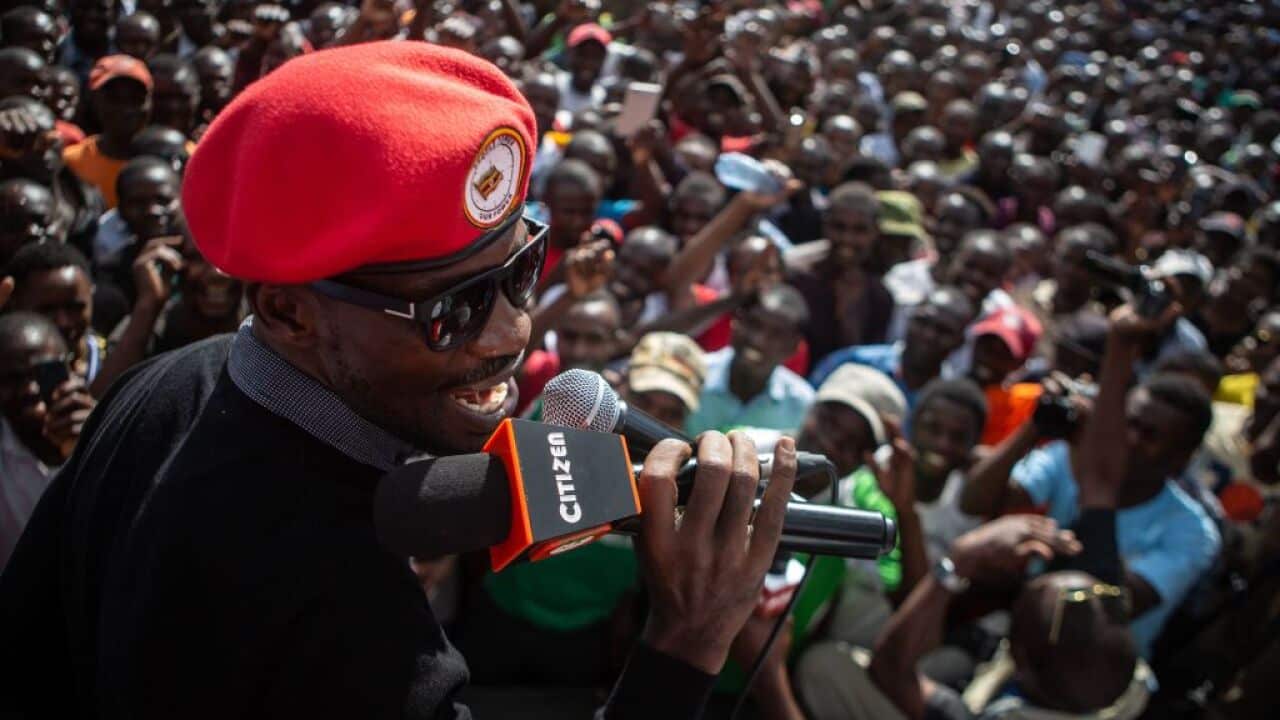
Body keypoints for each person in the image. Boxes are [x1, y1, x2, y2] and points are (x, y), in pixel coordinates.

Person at [0, 42, 800, 718]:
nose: (511, 334)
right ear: (288, 313)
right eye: (453, 308)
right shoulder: (352, 622)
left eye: (521, 271)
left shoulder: (166, 384)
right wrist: (687, 644)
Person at [963, 306, 1221, 658]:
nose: (1129, 439)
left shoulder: (1192, 532)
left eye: (1149, 435)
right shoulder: (1067, 458)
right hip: (1018, 640)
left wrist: (1097, 471)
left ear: (1181, 458)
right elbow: (975, 501)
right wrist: (1034, 428)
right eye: (1128, 423)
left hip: (1092, 676)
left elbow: (1107, 604)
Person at [0, 311, 96, 570]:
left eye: (41, 374)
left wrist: (88, 451)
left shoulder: (109, 434)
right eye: (12, 379)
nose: (30, 390)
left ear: (72, 370)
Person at [811, 286, 974, 408]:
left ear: (959, 343)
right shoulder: (854, 362)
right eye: (923, 322)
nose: (928, 335)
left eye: (943, 331)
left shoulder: (949, 399)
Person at [686, 283, 814, 435]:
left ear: (792, 348)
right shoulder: (691, 375)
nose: (758, 340)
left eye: (776, 334)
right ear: (736, 322)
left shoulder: (802, 406)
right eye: (753, 324)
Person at [3, 242, 107, 385]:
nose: (63, 322)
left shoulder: (110, 358)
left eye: (75, 307)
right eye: (47, 310)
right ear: (14, 305)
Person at [63, 54, 154, 209]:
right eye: (114, 98)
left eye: (136, 99)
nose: (125, 109)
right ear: (94, 101)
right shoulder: (71, 162)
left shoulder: (171, 158)